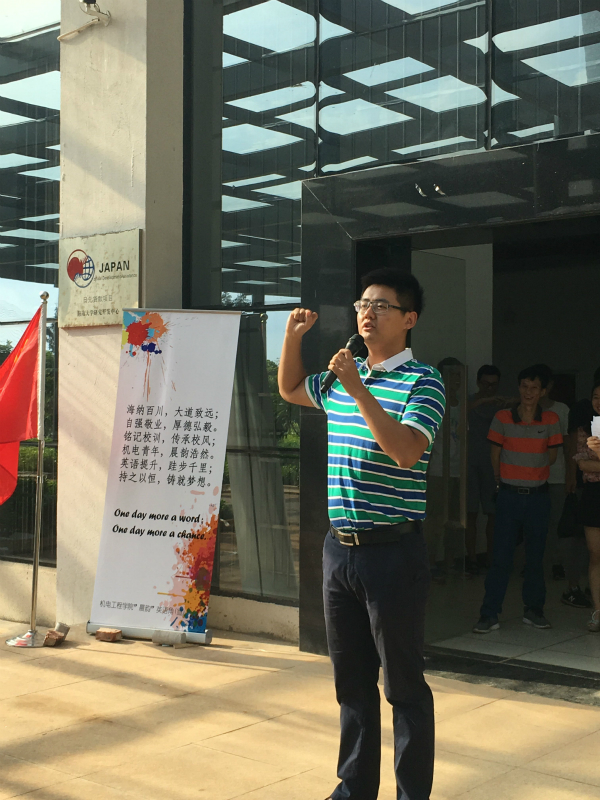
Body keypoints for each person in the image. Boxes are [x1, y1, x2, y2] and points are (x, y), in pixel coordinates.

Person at [278, 268, 445, 800]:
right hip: (339, 549)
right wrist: (292, 338)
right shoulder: (338, 377)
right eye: (362, 304)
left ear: (409, 319)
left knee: (403, 686)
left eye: (382, 306)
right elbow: (289, 388)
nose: (368, 313)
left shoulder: (423, 381)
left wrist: (357, 387)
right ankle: (353, 789)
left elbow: (405, 451)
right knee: (351, 682)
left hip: (393, 551)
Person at [473, 365, 562, 633]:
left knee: (535, 557)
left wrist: (529, 468)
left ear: (543, 391)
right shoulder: (503, 417)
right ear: (519, 387)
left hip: (537, 497)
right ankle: (489, 614)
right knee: (500, 556)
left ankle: (534, 610)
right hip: (509, 495)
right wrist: (501, 480)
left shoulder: (551, 419)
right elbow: (494, 454)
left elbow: (553, 456)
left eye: (534, 388)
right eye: (524, 386)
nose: (528, 392)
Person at [466, 365, 511, 575]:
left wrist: (501, 401)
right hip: (469, 464)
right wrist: (484, 401)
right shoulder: (471, 402)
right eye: (486, 384)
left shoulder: (501, 406)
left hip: (493, 466)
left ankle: (491, 558)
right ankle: (471, 559)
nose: (490, 388)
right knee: (470, 514)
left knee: (493, 514)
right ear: (478, 382)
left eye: (494, 385)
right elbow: (460, 411)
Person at [426, 357, 463, 581]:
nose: (457, 380)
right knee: (434, 521)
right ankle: (429, 564)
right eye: (452, 375)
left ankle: (451, 563)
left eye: (459, 375)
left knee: (456, 522)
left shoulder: (463, 405)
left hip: (460, 471)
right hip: (439, 471)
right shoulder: (434, 402)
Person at [536, 365, 570, 582]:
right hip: (531, 476)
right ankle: (534, 562)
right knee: (534, 522)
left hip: (556, 474)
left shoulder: (562, 410)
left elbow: (567, 443)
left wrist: (570, 475)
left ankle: (555, 562)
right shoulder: (524, 409)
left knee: (555, 521)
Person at [574, 383, 600, 632]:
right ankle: (598, 610)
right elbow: (583, 465)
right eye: (595, 397)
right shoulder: (586, 429)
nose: (599, 402)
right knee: (595, 554)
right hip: (593, 495)